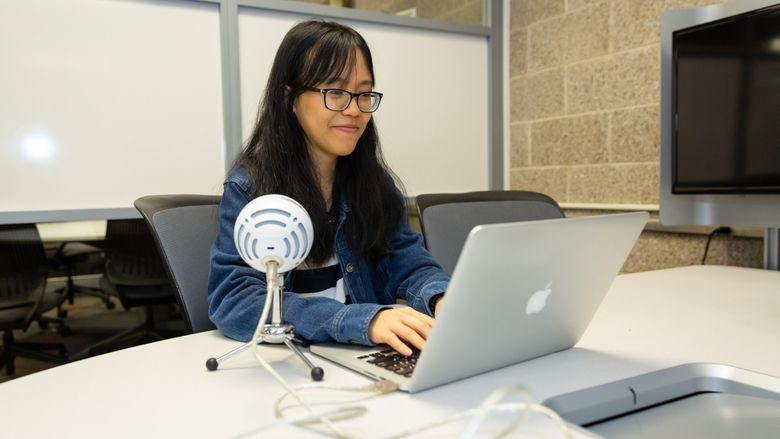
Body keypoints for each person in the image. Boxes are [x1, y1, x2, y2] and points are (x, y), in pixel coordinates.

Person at [207, 19, 448, 357]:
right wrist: (360, 321)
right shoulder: (250, 189)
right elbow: (235, 301)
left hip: (364, 360)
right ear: (290, 97)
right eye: (335, 92)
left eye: (363, 94)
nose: (353, 110)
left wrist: (442, 298)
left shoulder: (376, 186)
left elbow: (412, 265)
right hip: (288, 366)